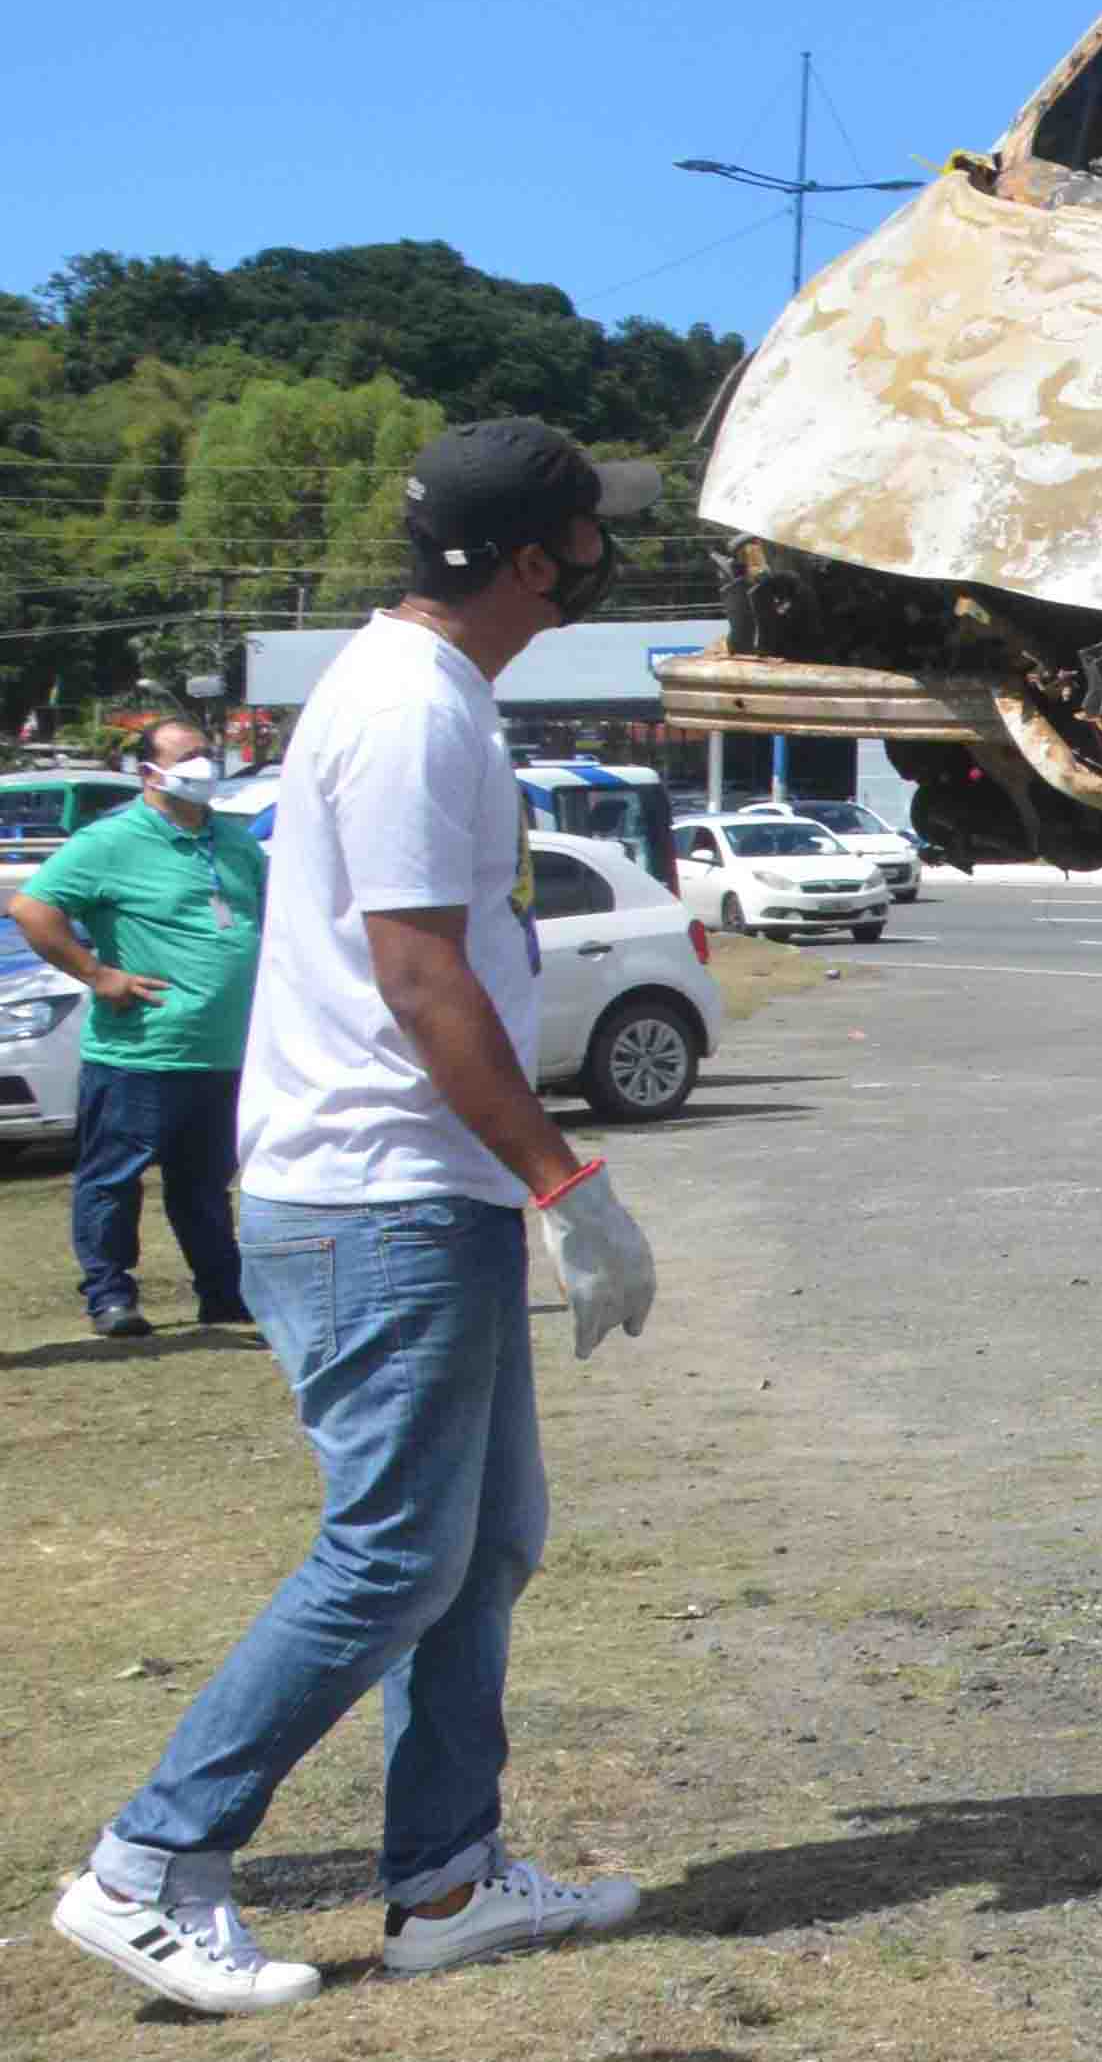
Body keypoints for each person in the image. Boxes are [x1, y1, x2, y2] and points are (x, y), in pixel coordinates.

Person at [52, 421, 662, 2016]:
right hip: (374, 1196)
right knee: (393, 1558)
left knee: (483, 1548)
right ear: (528, 561)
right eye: (587, 531)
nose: (606, 552)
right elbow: (417, 973)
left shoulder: (432, 690)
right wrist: (566, 1177)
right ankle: (149, 1861)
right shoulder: (408, 707)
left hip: (417, 1193)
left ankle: (446, 1883)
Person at [15, 724, 266, 1342]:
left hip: (223, 1054)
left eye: (209, 753)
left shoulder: (234, 843)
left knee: (206, 1186)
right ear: (149, 772)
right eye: (189, 757)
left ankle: (222, 1294)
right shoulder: (111, 841)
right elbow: (31, 908)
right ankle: (110, 1297)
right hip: (140, 1053)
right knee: (113, 1180)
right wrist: (98, 974)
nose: (204, 765)